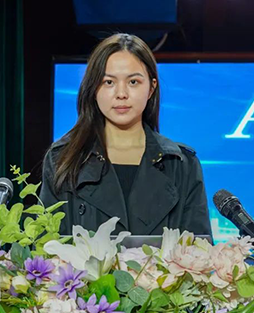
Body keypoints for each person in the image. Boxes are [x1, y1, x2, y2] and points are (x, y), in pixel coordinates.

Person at [39, 33, 211, 237]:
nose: (121, 94)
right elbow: (45, 247)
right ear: (93, 88)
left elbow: (198, 250)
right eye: (109, 82)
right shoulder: (63, 159)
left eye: (133, 82)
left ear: (151, 88)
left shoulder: (181, 165)